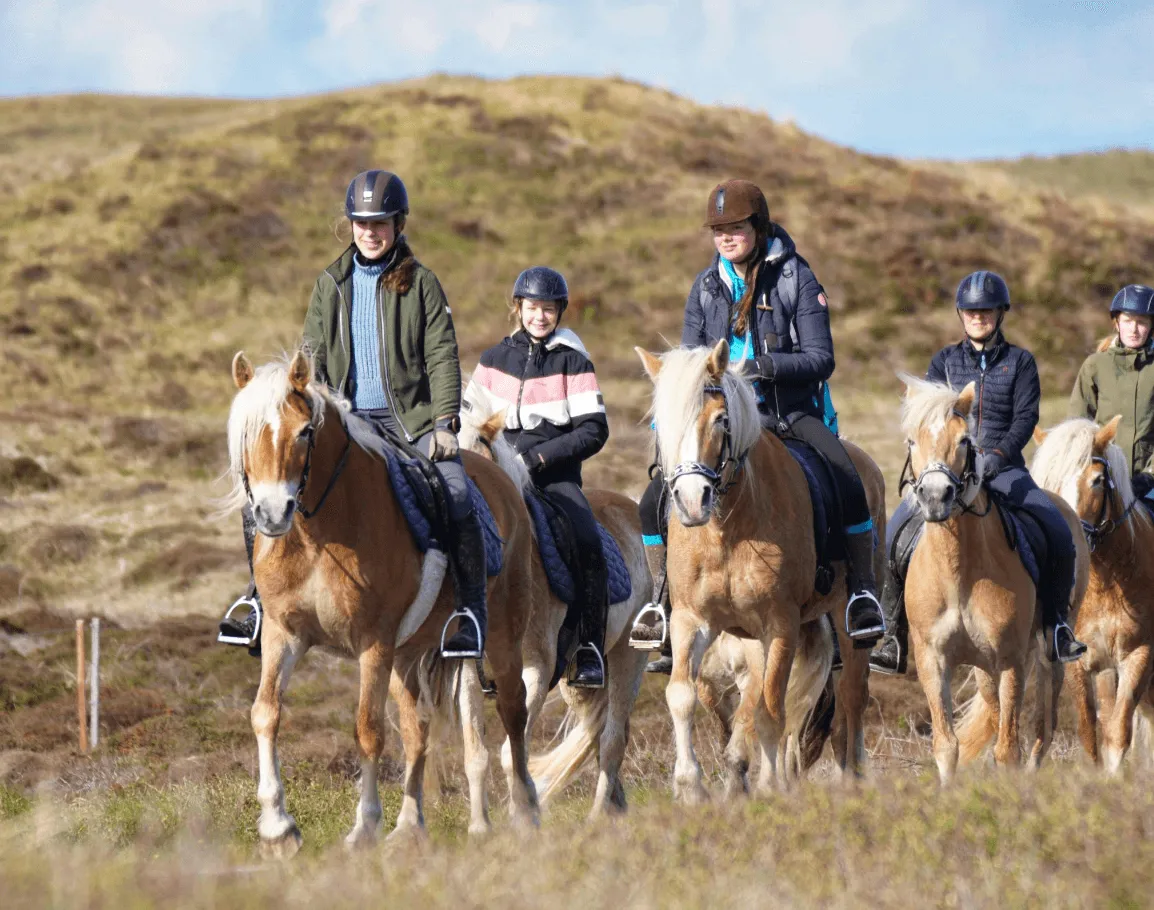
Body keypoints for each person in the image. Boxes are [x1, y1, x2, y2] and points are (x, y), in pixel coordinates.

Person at [219, 169, 487, 661]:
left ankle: (468, 613)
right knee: (260, 495)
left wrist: (446, 424)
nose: (370, 231)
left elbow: (442, 357)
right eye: (362, 222)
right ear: (350, 225)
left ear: (398, 224)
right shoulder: (329, 284)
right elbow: (312, 358)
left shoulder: (423, 284)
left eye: (380, 222)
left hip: (409, 422)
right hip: (343, 423)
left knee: (455, 490)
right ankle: (259, 603)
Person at [631, 179, 885, 674]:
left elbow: (820, 358)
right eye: (718, 230)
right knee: (650, 501)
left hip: (788, 413)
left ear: (758, 227)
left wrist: (759, 369)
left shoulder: (797, 278)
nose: (726, 238)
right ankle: (662, 603)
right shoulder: (705, 287)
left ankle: (861, 598)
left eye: (736, 228)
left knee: (846, 477)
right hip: (719, 421)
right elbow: (688, 361)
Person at [870, 270, 1088, 675]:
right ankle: (892, 635)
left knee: (1056, 528)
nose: (978, 317)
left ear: (1000, 314)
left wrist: (998, 455)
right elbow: (927, 418)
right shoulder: (945, 361)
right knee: (895, 530)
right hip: (949, 469)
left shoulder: (1020, 362)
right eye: (971, 311)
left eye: (985, 311)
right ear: (961, 314)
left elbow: (1026, 418)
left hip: (1003, 469)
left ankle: (1057, 625)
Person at [465, 267, 611, 688]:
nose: (540, 317)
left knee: (586, 537)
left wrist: (540, 457)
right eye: (532, 308)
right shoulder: (494, 359)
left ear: (560, 312)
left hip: (552, 477)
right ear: (518, 309)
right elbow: (470, 414)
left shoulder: (573, 360)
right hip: (497, 473)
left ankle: (589, 648)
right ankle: (463, 633)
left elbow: (593, 429)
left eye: (548, 310)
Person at [1069, 284, 1154, 499]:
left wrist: (1149, 476)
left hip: (1149, 482)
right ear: (1116, 323)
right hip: (1103, 477)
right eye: (1127, 321)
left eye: (1142, 322)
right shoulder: (1094, 365)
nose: (1134, 329)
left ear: (1151, 326)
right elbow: (1077, 424)